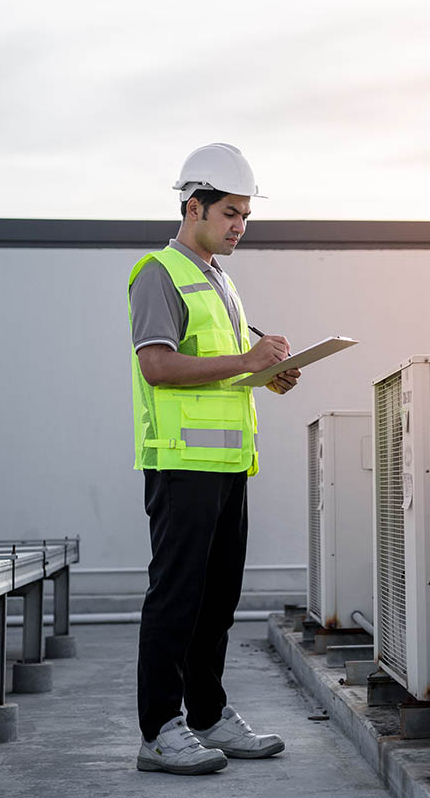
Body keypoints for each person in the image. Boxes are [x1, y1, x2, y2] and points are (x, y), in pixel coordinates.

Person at [127, 143, 302, 775]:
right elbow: (158, 364)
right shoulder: (159, 272)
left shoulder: (220, 280)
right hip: (182, 467)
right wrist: (247, 362)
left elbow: (225, 373)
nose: (240, 227)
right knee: (176, 598)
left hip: (228, 468)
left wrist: (270, 372)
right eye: (231, 212)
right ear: (194, 206)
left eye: (246, 215)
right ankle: (159, 732)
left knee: (217, 599)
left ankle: (206, 717)